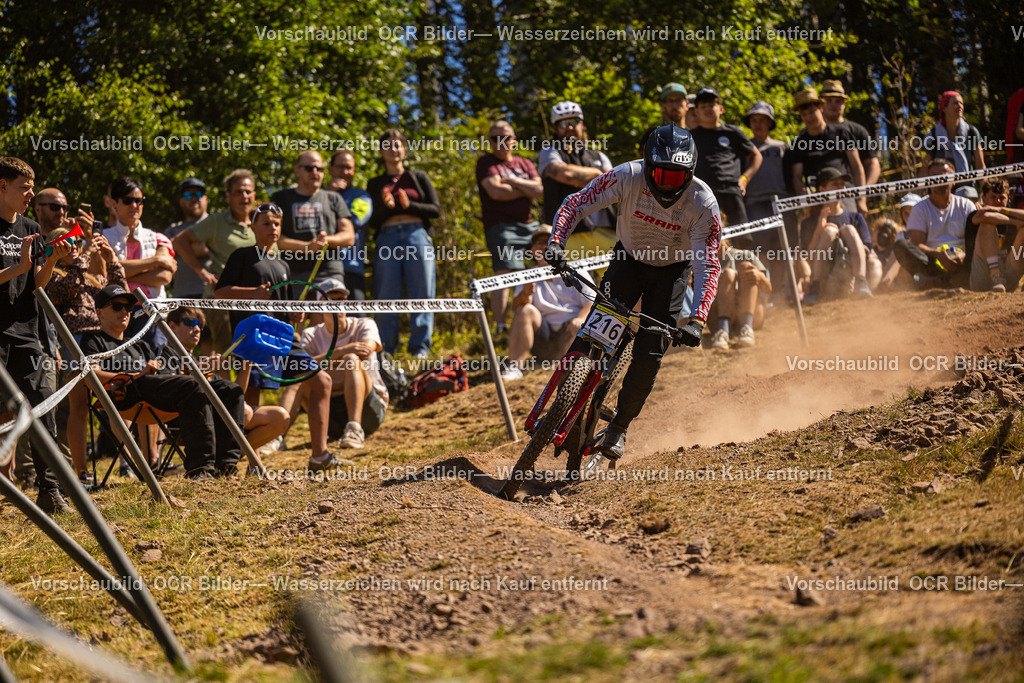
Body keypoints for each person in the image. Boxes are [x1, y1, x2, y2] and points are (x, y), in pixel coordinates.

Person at [545, 125, 720, 460]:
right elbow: (576, 203)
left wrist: (697, 319)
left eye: (676, 177)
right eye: (661, 175)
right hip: (628, 260)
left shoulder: (703, 202)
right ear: (646, 165)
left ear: (691, 173)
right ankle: (562, 400)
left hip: (671, 273)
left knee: (650, 352)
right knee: (594, 327)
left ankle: (620, 426)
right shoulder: (626, 175)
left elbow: (707, 266)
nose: (667, 184)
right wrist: (556, 242)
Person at [214, 202, 339, 471]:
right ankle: (253, 462)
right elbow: (220, 293)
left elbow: (284, 305)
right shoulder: (242, 256)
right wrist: (252, 294)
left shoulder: (283, 263)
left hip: (283, 337)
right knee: (251, 399)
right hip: (254, 336)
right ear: (253, 227)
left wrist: (295, 315)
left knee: (322, 381)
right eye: (266, 223)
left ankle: (320, 456)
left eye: (277, 224)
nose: (273, 228)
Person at [80, 285, 247, 479]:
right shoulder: (93, 341)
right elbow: (91, 375)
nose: (125, 311)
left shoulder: (138, 343)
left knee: (230, 389)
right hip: (125, 394)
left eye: (128, 307)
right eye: (117, 306)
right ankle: (199, 469)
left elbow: (165, 371)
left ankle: (226, 466)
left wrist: (194, 369)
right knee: (193, 387)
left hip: (154, 390)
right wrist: (136, 375)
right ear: (99, 312)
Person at [0, 157, 74, 512]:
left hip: (27, 332)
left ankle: (50, 491)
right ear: (2, 187)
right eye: (23, 188)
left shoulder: (30, 227)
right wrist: (20, 265)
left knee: (44, 406)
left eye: (32, 188)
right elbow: (19, 270)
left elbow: (35, 286)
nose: (30, 194)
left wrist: (52, 261)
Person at [45, 224, 127, 483]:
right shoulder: (51, 274)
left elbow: (121, 292)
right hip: (75, 342)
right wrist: (85, 257)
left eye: (76, 242)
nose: (73, 246)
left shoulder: (91, 275)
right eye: (66, 242)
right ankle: (82, 471)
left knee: (120, 400)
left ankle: (130, 462)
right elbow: (64, 289)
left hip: (105, 341)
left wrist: (111, 260)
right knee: (79, 406)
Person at [159, 306, 289, 452]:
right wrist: (200, 368)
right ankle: (227, 457)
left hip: (220, 416)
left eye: (200, 325)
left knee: (280, 417)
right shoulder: (164, 355)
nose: (197, 329)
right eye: (190, 323)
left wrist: (247, 363)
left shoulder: (196, 360)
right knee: (243, 411)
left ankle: (228, 456)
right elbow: (167, 389)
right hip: (191, 419)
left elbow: (236, 394)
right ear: (172, 327)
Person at [283, 277, 388, 449]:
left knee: (351, 360)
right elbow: (296, 366)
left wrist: (329, 359)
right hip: (330, 412)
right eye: (330, 299)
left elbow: (366, 350)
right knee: (300, 376)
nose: (337, 304)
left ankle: (355, 429)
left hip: (369, 410)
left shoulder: (364, 324)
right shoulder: (311, 334)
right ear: (319, 305)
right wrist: (339, 352)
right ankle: (276, 436)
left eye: (341, 299)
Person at [366, 129, 442, 357]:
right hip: (387, 236)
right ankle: (386, 350)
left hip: (416, 234)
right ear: (381, 151)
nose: (394, 150)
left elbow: (435, 210)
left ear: (405, 149)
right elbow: (371, 221)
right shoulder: (375, 183)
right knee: (386, 292)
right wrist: (385, 208)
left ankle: (420, 349)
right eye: (388, 146)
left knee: (423, 291)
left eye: (398, 145)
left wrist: (409, 205)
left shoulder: (418, 177)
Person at [172, 169, 257, 352]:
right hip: (221, 302)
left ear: (254, 195)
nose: (244, 196)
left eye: (248, 191)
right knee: (222, 356)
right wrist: (202, 272)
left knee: (253, 358)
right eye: (238, 192)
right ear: (228, 196)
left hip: (254, 301)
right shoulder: (217, 221)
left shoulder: (262, 222)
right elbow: (179, 241)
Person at [476, 119, 543, 333]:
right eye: (495, 138)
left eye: (505, 137)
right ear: (490, 141)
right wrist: (526, 188)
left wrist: (512, 182)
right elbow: (495, 192)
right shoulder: (486, 163)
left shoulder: (524, 163)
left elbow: (541, 191)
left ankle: (538, 316)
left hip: (530, 225)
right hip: (500, 227)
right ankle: (501, 327)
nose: (501, 142)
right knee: (504, 272)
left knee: (543, 265)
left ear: (513, 140)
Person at [502, 226, 590, 381]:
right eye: (539, 243)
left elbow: (593, 302)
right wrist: (524, 294)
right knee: (525, 310)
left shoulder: (576, 270)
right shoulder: (526, 275)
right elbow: (516, 309)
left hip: (571, 331)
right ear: (531, 251)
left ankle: (572, 368)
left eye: (549, 242)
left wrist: (580, 319)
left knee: (581, 323)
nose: (544, 247)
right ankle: (515, 367)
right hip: (544, 335)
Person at [540, 101, 617, 262]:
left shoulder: (598, 155)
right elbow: (566, 175)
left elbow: (612, 185)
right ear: (555, 128)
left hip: (606, 230)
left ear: (582, 124)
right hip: (569, 234)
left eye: (574, 122)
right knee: (574, 286)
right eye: (563, 123)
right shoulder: (550, 152)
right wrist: (598, 174)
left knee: (625, 281)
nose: (569, 127)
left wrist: (583, 178)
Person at [272, 151, 354, 286]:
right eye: (309, 168)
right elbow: (274, 238)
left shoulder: (334, 198)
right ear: (297, 171)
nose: (315, 172)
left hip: (329, 273)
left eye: (319, 169)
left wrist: (325, 241)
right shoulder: (280, 198)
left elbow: (349, 237)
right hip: (291, 274)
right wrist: (307, 247)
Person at [797, 167, 876, 303]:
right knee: (829, 231)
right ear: (821, 189)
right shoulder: (809, 222)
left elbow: (868, 249)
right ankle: (815, 288)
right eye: (835, 184)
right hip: (825, 276)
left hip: (850, 271)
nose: (841, 188)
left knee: (849, 230)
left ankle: (861, 282)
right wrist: (819, 231)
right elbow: (807, 258)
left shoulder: (855, 217)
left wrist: (845, 250)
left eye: (842, 184)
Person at [894, 158, 975, 288]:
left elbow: (975, 242)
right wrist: (937, 254)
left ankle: (940, 282)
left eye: (943, 176)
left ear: (953, 180)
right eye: (933, 177)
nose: (938, 181)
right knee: (901, 245)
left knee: (976, 253)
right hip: (932, 263)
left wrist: (963, 256)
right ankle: (939, 280)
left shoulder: (966, 205)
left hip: (964, 262)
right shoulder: (919, 209)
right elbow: (916, 244)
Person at [690, 87, 761, 226]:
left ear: (721, 108)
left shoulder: (732, 132)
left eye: (711, 105)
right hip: (702, 195)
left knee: (741, 239)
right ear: (696, 112)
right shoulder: (689, 137)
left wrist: (745, 178)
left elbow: (756, 156)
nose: (707, 109)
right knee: (706, 239)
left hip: (731, 192)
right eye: (703, 106)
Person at [789, 88, 867, 214]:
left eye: (811, 112)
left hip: (844, 194)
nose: (808, 118)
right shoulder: (799, 143)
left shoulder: (842, 133)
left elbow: (857, 166)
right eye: (804, 115)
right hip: (817, 199)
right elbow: (797, 176)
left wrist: (862, 199)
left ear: (821, 108)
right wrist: (805, 202)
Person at [102, 177, 175, 300]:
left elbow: (164, 276)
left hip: (153, 310)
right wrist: (156, 260)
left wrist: (120, 275)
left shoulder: (157, 239)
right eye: (127, 201)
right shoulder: (102, 237)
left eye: (138, 201)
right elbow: (103, 272)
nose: (134, 205)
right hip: (116, 311)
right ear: (114, 204)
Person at [326, 150, 374, 301]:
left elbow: (355, 221)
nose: (345, 172)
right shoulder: (318, 196)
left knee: (357, 321)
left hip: (351, 269)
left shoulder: (362, 197)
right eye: (340, 167)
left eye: (349, 168)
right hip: (322, 269)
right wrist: (329, 194)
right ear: (330, 169)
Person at [966, 178, 1024, 292]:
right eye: (993, 197)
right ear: (983, 198)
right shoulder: (977, 214)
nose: (998, 201)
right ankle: (996, 275)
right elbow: (986, 216)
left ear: (1009, 198)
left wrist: (1002, 210)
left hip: (1010, 271)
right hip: (981, 274)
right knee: (988, 224)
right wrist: (1017, 222)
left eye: (1002, 198)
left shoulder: (1009, 211)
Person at [820, 80, 881, 188]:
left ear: (844, 104)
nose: (833, 105)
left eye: (838, 101)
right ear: (821, 104)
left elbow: (873, 164)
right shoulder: (810, 133)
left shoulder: (857, 130)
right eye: (829, 100)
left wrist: (863, 192)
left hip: (850, 195)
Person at [920, 91, 986, 189]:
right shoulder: (933, 135)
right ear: (944, 108)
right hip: (940, 193)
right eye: (955, 103)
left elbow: (980, 165)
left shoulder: (971, 132)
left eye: (961, 103)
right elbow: (925, 169)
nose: (959, 106)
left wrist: (985, 192)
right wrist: (919, 198)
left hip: (967, 191)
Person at [163, 177, 210, 299]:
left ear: (206, 199)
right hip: (180, 298)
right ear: (181, 201)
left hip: (212, 296)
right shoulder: (172, 229)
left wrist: (178, 248)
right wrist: (197, 247)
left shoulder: (215, 224)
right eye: (188, 195)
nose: (194, 198)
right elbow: (162, 256)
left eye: (198, 194)